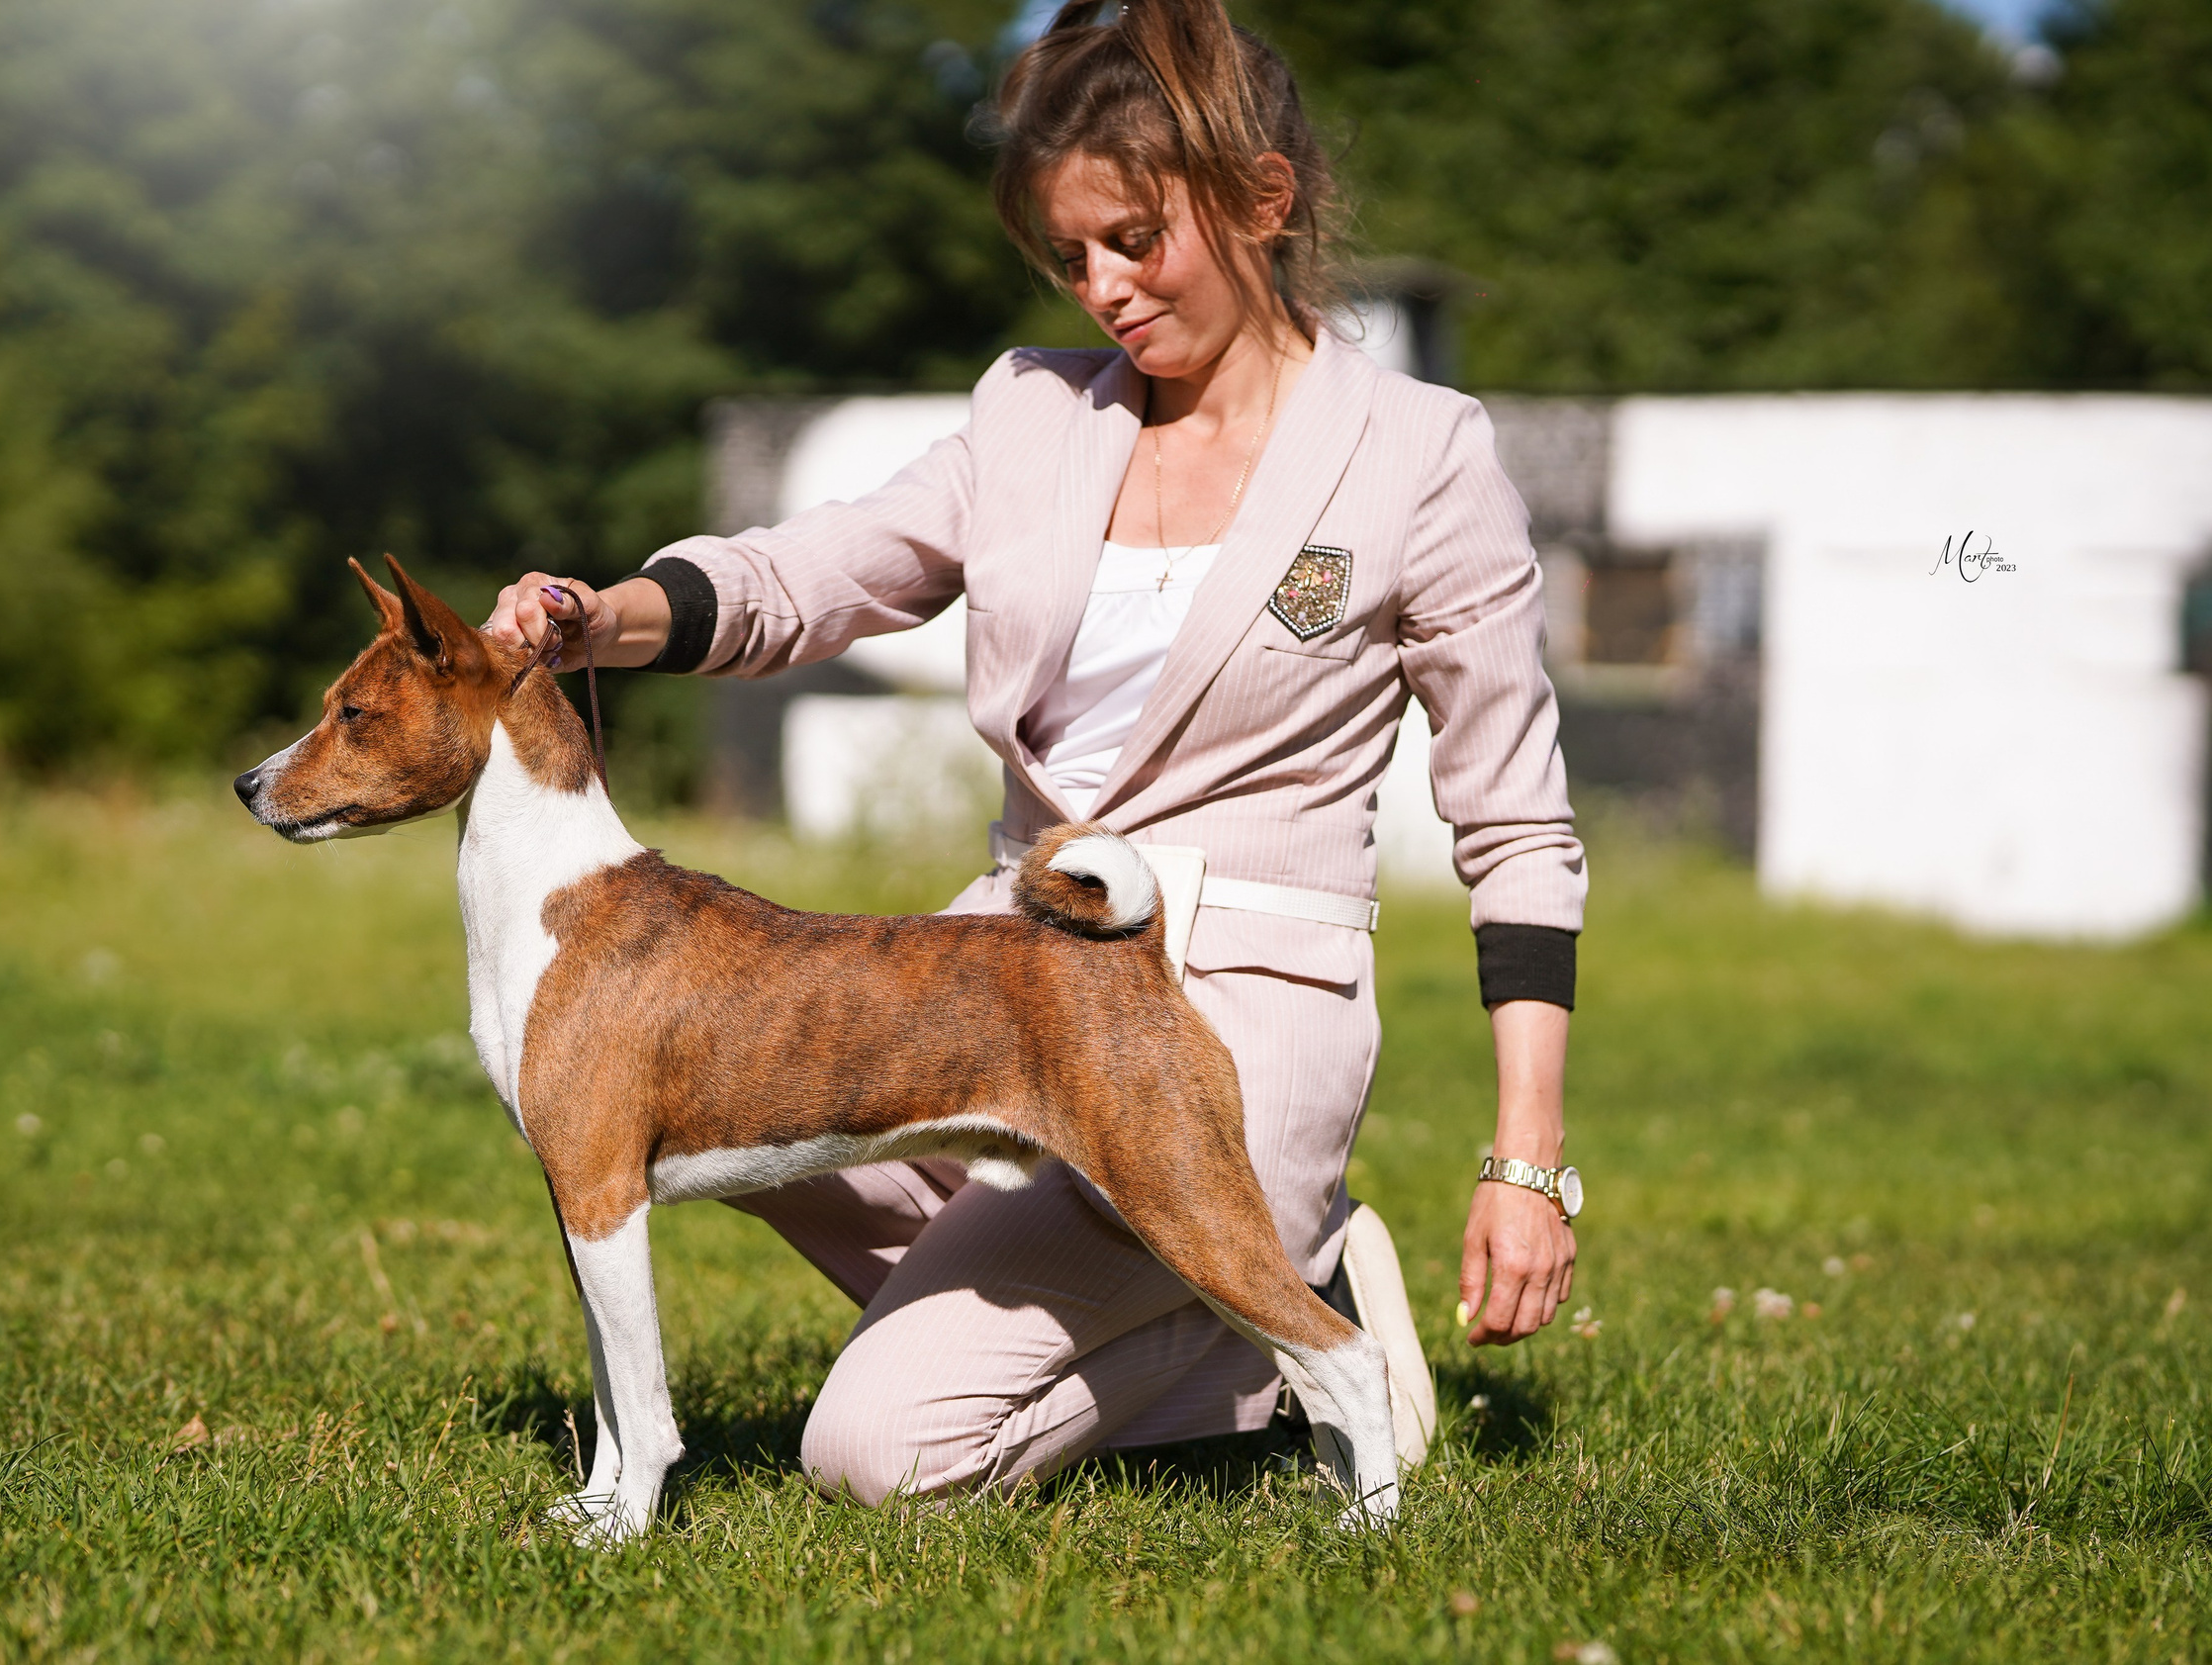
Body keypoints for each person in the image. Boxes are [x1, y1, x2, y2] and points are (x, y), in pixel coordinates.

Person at [484, 0, 1583, 1506]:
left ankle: (1276, 1335)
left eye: (1135, 238)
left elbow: (1516, 824)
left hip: (1245, 1012)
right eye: (1071, 258)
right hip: (1001, 971)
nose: (1106, 291)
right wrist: (604, 613)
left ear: (1264, 198)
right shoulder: (1032, 414)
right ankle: (1221, 1311)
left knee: (880, 1455)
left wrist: (1526, 1161)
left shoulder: (1420, 455)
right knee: (731, 1092)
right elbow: (814, 574)